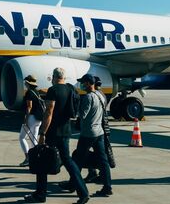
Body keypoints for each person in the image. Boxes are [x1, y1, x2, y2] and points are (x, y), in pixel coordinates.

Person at [24, 67, 89, 204]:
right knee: (68, 162)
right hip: (66, 131)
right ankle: (83, 192)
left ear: (54, 77)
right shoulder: (70, 89)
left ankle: (40, 195)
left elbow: (49, 113)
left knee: (42, 161)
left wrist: (42, 132)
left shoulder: (53, 90)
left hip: (53, 133)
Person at [70, 74, 112, 197]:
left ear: (88, 83)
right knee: (103, 160)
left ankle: (73, 184)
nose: (81, 85)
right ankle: (107, 187)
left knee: (77, 159)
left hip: (88, 133)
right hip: (99, 132)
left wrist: (76, 102)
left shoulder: (88, 97)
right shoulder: (100, 95)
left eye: (83, 82)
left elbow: (82, 115)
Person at [19, 75, 43, 167]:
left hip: (32, 117)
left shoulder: (29, 93)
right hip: (39, 118)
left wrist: (26, 118)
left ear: (28, 83)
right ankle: (36, 159)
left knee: (22, 137)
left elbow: (29, 107)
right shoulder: (36, 92)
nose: (24, 83)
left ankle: (28, 158)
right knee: (34, 139)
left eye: (25, 82)